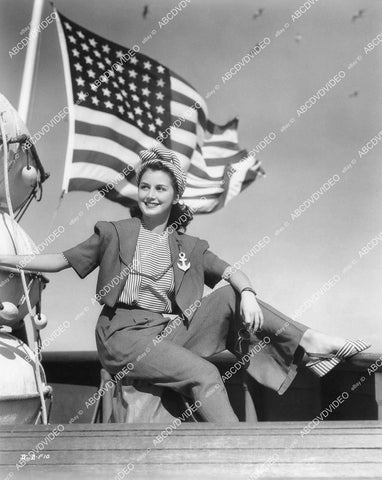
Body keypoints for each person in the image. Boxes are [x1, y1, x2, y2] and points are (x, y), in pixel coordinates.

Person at [0, 147, 370, 422]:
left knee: (229, 296)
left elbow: (231, 273)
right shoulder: (115, 232)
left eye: (160, 189)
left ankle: (308, 342)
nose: (150, 194)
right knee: (205, 372)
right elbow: (60, 260)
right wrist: (6, 258)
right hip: (122, 335)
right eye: (145, 186)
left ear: (174, 195)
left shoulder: (189, 247)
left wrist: (249, 295)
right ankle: (241, 455)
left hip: (164, 332)